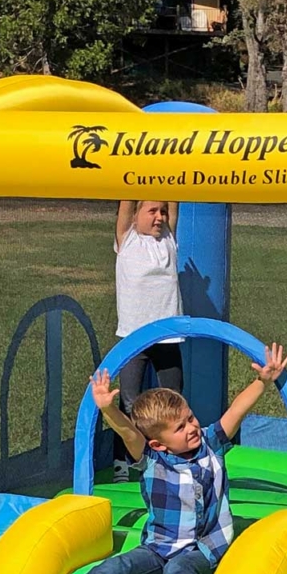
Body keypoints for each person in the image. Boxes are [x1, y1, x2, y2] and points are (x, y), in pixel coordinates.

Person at [24, 343, 287, 574]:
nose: (192, 427)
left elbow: (236, 411)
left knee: (180, 570)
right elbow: (129, 433)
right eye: (180, 427)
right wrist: (108, 408)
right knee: (111, 569)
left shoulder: (210, 443)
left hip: (204, 549)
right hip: (158, 548)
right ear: (160, 445)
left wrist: (262, 381)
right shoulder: (153, 459)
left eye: (190, 418)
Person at [113, 198, 183, 482]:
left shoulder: (168, 239)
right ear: (135, 216)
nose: (159, 217)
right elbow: (126, 200)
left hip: (167, 338)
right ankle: (124, 460)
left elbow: (174, 200)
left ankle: (172, 459)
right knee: (130, 402)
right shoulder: (127, 239)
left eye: (162, 211)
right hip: (134, 337)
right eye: (152, 211)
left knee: (173, 399)